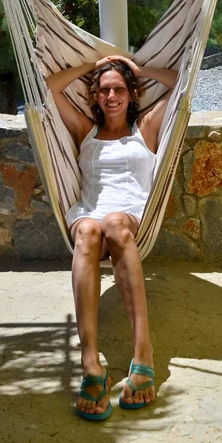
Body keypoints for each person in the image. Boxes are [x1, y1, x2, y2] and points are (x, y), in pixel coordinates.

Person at [47, 55, 177, 420]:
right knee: (90, 229)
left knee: (116, 222)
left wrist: (137, 71)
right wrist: (97, 63)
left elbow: (182, 81)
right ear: (96, 96)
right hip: (89, 212)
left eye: (119, 89)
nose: (111, 95)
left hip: (129, 217)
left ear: (132, 95)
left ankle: (143, 353)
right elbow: (49, 88)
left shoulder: (146, 128)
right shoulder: (85, 129)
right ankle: (91, 365)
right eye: (103, 89)